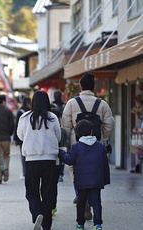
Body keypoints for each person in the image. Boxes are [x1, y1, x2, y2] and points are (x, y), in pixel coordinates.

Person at [62, 73, 115, 218]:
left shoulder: (72, 103)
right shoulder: (102, 104)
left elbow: (65, 128)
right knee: (94, 173)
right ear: (94, 87)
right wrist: (101, 135)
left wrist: (69, 141)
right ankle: (92, 202)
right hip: (96, 146)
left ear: (80, 86)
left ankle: (82, 200)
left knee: (76, 173)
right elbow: (109, 125)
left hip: (77, 145)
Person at [17, 90, 61, 230]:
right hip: (49, 160)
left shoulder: (25, 117)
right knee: (48, 192)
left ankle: (37, 214)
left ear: (33, 101)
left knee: (31, 191)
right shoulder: (52, 117)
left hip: (31, 160)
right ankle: (46, 225)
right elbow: (58, 137)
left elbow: (21, 136)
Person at [59, 120, 110, 230]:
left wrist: (62, 153)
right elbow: (105, 164)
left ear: (77, 133)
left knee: (81, 202)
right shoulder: (99, 146)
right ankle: (97, 224)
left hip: (81, 181)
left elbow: (69, 160)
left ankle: (80, 224)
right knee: (96, 201)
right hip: (96, 180)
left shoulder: (76, 147)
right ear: (92, 131)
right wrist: (105, 179)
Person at [50, 107, 69, 216]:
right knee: (53, 184)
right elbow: (64, 149)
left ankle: (46, 204)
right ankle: (53, 206)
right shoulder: (61, 131)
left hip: (43, 160)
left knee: (44, 184)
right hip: (56, 162)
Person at [13, 96, 31, 180]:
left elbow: (17, 126)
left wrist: (15, 139)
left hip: (22, 137)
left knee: (23, 156)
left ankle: (24, 173)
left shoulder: (20, 112)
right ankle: (29, 172)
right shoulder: (32, 112)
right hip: (30, 137)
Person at [51, 90, 65, 182]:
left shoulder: (51, 106)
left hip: (52, 131)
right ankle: (61, 173)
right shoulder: (64, 106)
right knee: (62, 151)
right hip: (62, 129)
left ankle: (54, 171)